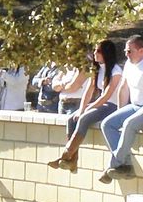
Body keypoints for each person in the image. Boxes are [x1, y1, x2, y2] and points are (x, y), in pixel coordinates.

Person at [98, 32, 143, 181]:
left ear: (141, 51)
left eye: (129, 51)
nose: (126, 54)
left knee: (129, 124)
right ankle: (125, 165)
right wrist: (119, 112)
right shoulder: (129, 65)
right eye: (125, 51)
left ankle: (114, 164)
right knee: (107, 124)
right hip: (137, 106)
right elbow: (123, 89)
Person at [48, 40, 123, 170]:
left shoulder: (116, 71)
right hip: (101, 104)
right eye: (94, 50)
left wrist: (89, 108)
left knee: (84, 118)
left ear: (107, 53)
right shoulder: (97, 69)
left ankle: (65, 154)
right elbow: (88, 91)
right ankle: (73, 159)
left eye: (98, 51)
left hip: (112, 106)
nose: (95, 53)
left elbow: (106, 95)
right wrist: (81, 109)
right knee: (72, 119)